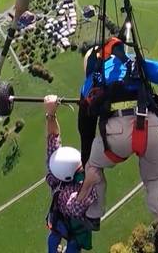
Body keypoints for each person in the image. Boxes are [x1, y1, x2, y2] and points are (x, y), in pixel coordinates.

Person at [77, 38, 158, 253]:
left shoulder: (92, 80)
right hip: (149, 126)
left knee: (93, 168)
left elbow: (85, 128)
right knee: (155, 182)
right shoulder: (136, 64)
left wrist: (87, 158)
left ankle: (94, 215)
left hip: (115, 135)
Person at [44, 95, 101, 253]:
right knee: (70, 246)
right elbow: (75, 206)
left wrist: (51, 113)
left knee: (54, 242)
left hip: (60, 223)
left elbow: (53, 139)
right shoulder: (71, 190)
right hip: (73, 228)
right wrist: (89, 182)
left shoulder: (54, 173)